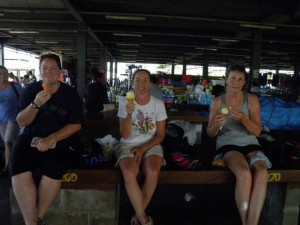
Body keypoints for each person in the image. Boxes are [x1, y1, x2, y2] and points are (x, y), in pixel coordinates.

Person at [9, 53, 83, 225]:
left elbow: (76, 124)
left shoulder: (70, 95)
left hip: (61, 140)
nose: (48, 72)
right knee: (18, 168)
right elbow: (21, 122)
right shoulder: (31, 90)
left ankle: (39, 217)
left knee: (53, 169)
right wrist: (35, 104)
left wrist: (51, 138)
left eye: (53, 68)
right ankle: (31, 222)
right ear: (40, 71)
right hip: (30, 137)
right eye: (44, 68)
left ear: (60, 71)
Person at [207, 64, 271, 225]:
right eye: (233, 78)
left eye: (240, 79)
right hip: (227, 143)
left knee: (262, 171)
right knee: (243, 172)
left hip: (250, 142)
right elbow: (210, 133)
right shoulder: (217, 102)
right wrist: (216, 124)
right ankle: (245, 222)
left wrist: (244, 118)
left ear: (244, 82)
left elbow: (257, 132)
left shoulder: (252, 100)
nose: (236, 82)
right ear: (226, 80)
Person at [114, 69, 167, 225]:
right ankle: (143, 219)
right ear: (132, 83)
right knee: (129, 171)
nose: (141, 84)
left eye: (145, 80)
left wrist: (143, 148)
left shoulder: (158, 105)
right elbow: (124, 135)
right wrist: (129, 115)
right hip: (128, 144)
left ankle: (137, 217)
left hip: (151, 144)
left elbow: (161, 135)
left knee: (153, 170)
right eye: (137, 80)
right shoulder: (125, 102)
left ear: (150, 83)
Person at [0, 66, 23, 174]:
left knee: (7, 141)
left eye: (5, 74)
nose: (3, 76)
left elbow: (25, 100)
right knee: (7, 143)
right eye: (0, 74)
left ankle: (8, 167)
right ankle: (13, 162)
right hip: (1, 120)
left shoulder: (15, 86)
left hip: (13, 118)